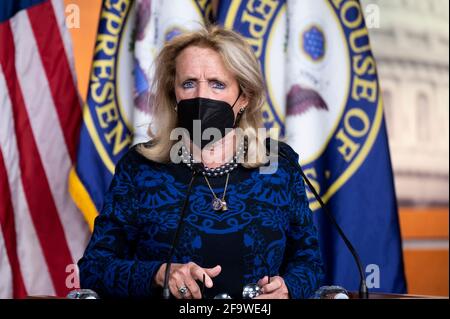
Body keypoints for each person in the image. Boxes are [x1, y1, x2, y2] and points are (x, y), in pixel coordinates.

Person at [78, 26, 323, 299]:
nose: (200, 96)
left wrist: (289, 288)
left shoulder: (279, 164)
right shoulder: (139, 168)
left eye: (217, 84)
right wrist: (159, 274)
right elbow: (94, 268)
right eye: (189, 83)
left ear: (244, 97)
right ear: (174, 95)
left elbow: (309, 262)